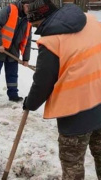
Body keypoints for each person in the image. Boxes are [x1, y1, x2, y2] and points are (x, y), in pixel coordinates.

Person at [23, 0, 101, 179]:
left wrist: (30, 103)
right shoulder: (89, 20)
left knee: (72, 164)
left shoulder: (51, 41)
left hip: (75, 112)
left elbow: (43, 83)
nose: (34, 27)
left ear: (39, 18)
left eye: (33, 23)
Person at [0, 0, 33, 108]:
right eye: (28, 6)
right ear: (23, 4)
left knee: (12, 74)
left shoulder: (29, 19)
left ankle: (13, 95)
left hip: (13, 51)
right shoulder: (9, 10)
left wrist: (26, 58)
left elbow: (27, 40)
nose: (29, 9)